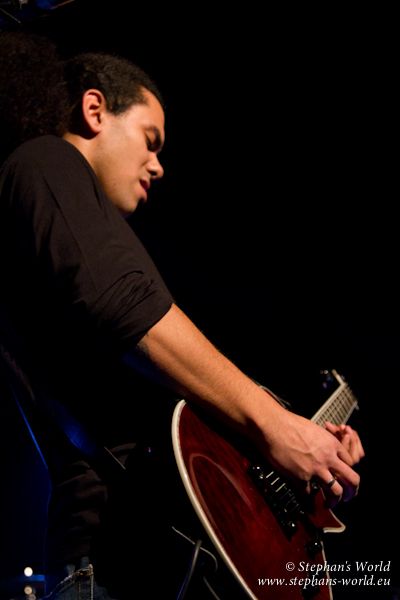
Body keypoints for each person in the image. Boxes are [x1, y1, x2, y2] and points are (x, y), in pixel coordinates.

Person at [0, 33, 364, 600]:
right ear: (95, 110)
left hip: (156, 544)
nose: (158, 165)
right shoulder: (47, 160)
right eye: (150, 140)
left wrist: (303, 448)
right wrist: (276, 424)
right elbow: (121, 306)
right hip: (124, 553)